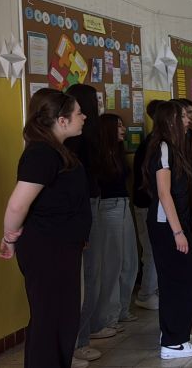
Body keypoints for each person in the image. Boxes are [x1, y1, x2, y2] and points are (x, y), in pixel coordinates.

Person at [0, 89, 90, 368]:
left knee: (63, 320)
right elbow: (17, 205)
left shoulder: (58, 150)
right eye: (78, 113)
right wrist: (9, 237)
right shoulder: (41, 153)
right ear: (62, 121)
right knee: (49, 321)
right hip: (47, 249)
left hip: (62, 247)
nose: (84, 117)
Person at [142, 101, 192, 360]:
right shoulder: (163, 147)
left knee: (178, 280)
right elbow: (164, 193)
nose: (188, 120)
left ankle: (173, 332)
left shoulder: (173, 146)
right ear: (171, 120)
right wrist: (178, 232)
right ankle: (173, 342)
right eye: (183, 116)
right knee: (184, 280)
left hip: (175, 222)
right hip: (167, 224)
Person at [65, 85, 109, 363]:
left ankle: (84, 335)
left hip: (91, 203)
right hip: (86, 208)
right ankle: (78, 341)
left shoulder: (86, 135)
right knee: (88, 276)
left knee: (92, 275)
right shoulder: (77, 140)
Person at [91, 114, 138, 339]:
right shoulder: (98, 155)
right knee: (112, 264)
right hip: (107, 208)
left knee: (129, 260)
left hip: (123, 204)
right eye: (118, 126)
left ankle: (121, 310)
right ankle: (107, 317)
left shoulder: (118, 153)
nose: (123, 129)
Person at [132, 100, 163, 312]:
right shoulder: (152, 144)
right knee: (151, 250)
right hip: (147, 204)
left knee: (156, 249)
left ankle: (154, 290)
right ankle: (146, 293)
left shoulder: (160, 142)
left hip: (155, 204)